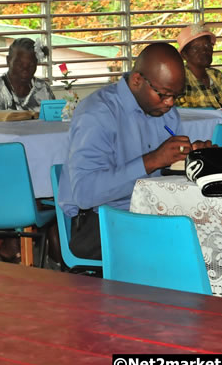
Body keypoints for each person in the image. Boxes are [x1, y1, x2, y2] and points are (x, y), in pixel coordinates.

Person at [57, 43, 211, 259]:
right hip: (101, 221)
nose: (170, 103)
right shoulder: (98, 114)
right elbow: (85, 193)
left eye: (175, 96)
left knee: (214, 233)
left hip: (151, 212)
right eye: (164, 94)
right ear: (137, 80)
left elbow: (168, 175)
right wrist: (152, 161)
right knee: (180, 249)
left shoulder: (165, 113)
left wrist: (192, 158)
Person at [174, 23, 222, 124]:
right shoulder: (179, 79)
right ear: (184, 55)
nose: (204, 50)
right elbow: (183, 115)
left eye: (208, 45)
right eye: (196, 48)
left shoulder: (218, 76)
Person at [0, 38, 55, 112]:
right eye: (19, 64)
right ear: (8, 61)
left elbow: (54, 119)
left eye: (31, 65)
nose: (25, 70)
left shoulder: (43, 89)